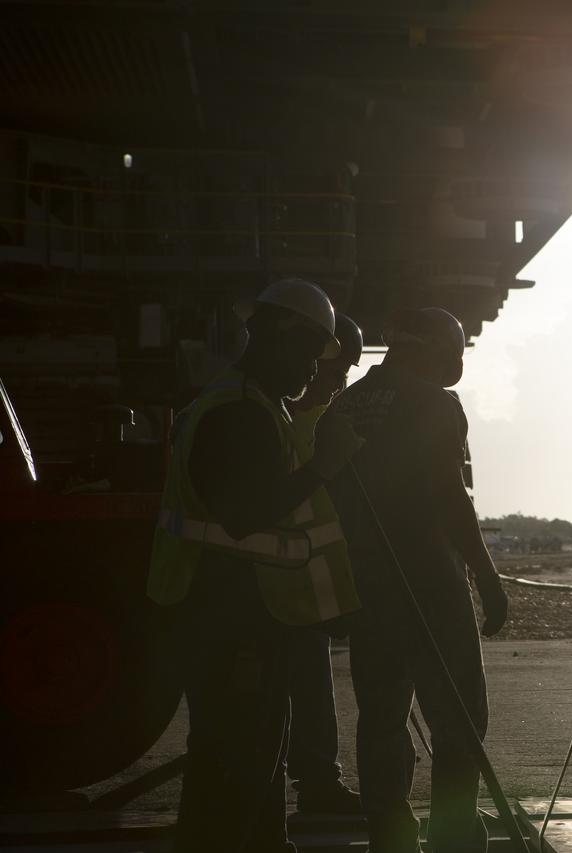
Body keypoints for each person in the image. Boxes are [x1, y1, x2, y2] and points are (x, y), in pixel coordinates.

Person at [147, 279, 364, 852]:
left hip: (243, 616)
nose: (310, 373)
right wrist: (325, 466)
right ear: (280, 338)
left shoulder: (253, 404)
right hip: (228, 619)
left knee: (255, 756)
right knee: (236, 765)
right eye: (308, 356)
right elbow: (247, 516)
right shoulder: (239, 412)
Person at [327, 306, 509, 853]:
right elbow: (450, 498)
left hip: (368, 585)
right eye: (453, 351)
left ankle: (391, 837)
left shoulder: (348, 404)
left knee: (381, 718)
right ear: (427, 348)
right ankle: (454, 837)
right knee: (458, 720)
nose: (457, 362)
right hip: (430, 580)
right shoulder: (434, 403)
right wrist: (487, 576)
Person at [283, 313, 366, 814]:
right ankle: (316, 782)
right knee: (302, 687)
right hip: (285, 582)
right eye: (338, 372)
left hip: (303, 581)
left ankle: (315, 780)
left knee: (307, 684)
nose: (341, 383)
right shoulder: (305, 425)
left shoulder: (295, 418)